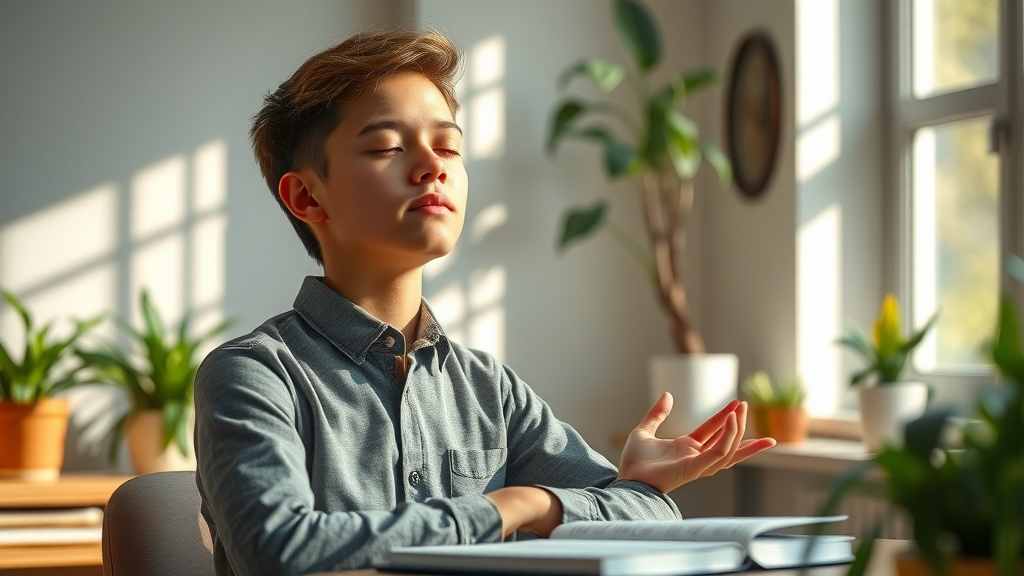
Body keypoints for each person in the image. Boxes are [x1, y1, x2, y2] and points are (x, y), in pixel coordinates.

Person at [193, 27, 776, 576]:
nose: (432, 168)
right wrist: (506, 509)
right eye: (389, 147)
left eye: (449, 147)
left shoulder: (486, 387)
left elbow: (647, 516)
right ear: (305, 196)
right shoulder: (253, 375)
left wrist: (622, 486)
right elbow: (280, 551)